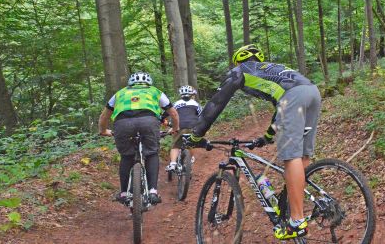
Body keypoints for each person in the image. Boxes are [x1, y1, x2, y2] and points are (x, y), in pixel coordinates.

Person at [188, 44, 321, 240]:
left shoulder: (240, 70)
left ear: (238, 61)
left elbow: (216, 103)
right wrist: (266, 137)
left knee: (290, 156)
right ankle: (292, 206)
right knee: (302, 155)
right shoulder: (274, 71)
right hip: (313, 93)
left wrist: (196, 134)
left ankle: (297, 221)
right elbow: (280, 109)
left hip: (293, 98)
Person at [98, 72, 178, 205]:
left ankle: (124, 193)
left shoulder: (119, 93)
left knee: (126, 156)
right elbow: (174, 114)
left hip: (122, 123)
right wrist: (175, 128)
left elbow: (104, 116)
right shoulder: (155, 91)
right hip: (149, 121)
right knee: (152, 153)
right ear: (149, 82)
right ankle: (152, 192)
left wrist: (103, 130)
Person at [166, 85, 201, 172]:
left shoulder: (176, 104)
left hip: (180, 126)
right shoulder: (196, 104)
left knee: (175, 145)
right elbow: (201, 115)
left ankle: (173, 164)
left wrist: (171, 126)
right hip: (193, 126)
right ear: (192, 95)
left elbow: (172, 115)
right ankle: (191, 158)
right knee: (191, 143)